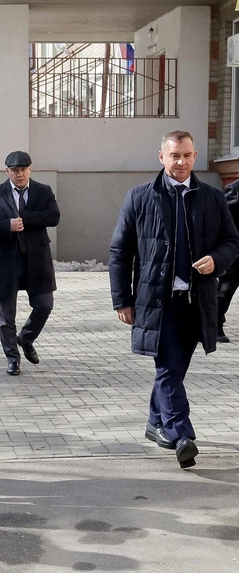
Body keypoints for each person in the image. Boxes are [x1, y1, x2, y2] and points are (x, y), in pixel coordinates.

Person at [109, 130, 239, 469]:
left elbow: (232, 241)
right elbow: (120, 251)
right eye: (174, 155)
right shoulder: (140, 197)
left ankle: (156, 422)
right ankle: (182, 435)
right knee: (168, 367)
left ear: (195, 156)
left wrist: (217, 260)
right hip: (157, 301)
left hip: (197, 302)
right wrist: (122, 300)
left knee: (175, 369)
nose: (181, 162)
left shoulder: (213, 198)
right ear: (161, 157)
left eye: (186, 155)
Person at [0, 151, 60, 376]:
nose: (19, 174)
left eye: (23, 169)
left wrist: (26, 218)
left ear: (30, 169)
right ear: (7, 171)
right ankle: (12, 358)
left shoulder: (43, 191)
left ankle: (26, 338)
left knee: (45, 305)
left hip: (37, 260)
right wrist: (8, 225)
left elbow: (54, 216)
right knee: (6, 316)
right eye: (14, 170)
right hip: (7, 261)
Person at [215, 179, 239, 342]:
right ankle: (215, 325)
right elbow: (224, 221)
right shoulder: (234, 189)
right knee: (226, 289)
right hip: (236, 253)